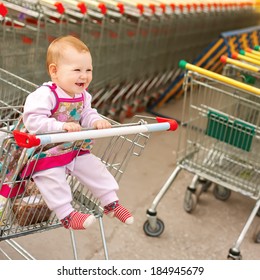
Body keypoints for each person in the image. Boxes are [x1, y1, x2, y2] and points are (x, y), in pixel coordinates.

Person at [22, 35, 133, 230]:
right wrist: (60, 126)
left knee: (95, 167)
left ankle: (111, 203)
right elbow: (32, 121)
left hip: (72, 147)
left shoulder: (83, 95)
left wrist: (96, 120)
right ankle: (66, 214)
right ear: (54, 72)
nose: (84, 75)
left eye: (88, 70)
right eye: (77, 70)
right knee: (51, 176)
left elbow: (87, 112)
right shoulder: (46, 94)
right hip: (45, 150)